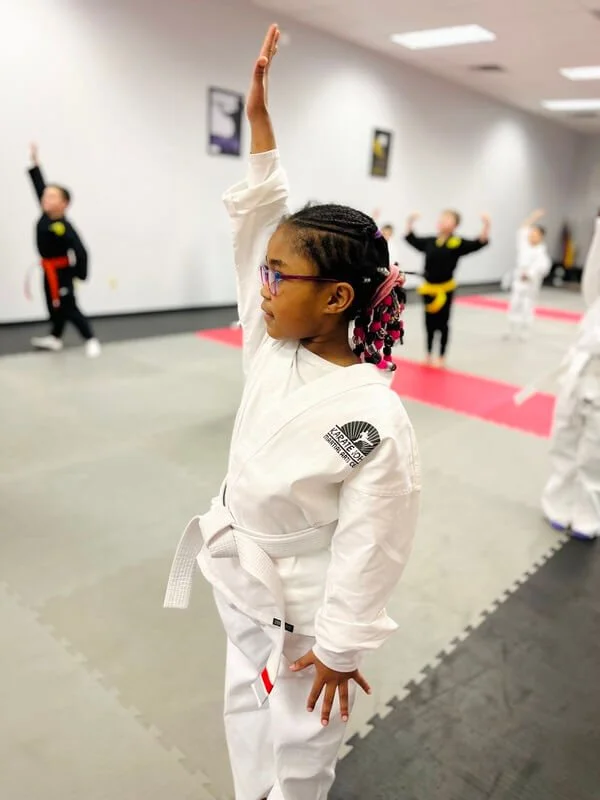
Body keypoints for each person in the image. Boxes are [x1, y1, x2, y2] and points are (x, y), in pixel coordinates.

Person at [164, 24, 421, 800]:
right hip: (242, 579)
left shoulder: (377, 420)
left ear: (336, 298)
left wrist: (343, 647)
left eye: (282, 276)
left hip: (307, 617)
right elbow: (257, 226)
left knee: (303, 746)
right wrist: (260, 126)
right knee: (246, 711)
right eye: (265, 275)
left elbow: (374, 545)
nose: (264, 287)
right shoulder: (272, 343)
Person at [541, 213, 600, 541]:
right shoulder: (596, 301)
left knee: (595, 452)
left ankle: (588, 513)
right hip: (579, 370)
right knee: (563, 436)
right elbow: (593, 279)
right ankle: (557, 502)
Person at [27, 144, 100, 357]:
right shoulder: (44, 215)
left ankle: (91, 338)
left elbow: (82, 251)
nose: (45, 199)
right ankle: (55, 338)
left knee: (68, 307)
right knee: (53, 306)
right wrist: (35, 163)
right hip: (47, 269)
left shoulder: (65, 227)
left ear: (64, 204)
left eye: (51, 197)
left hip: (63, 272)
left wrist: (80, 274)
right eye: (45, 196)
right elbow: (39, 186)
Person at [405, 209, 490, 367]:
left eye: (448, 219)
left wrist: (486, 224)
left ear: (455, 225)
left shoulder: (457, 243)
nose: (443, 221)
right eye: (442, 217)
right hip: (429, 289)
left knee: (442, 324)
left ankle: (442, 356)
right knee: (429, 323)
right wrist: (410, 222)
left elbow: (479, 243)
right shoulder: (431, 241)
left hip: (445, 289)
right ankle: (429, 354)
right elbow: (412, 239)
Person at [504, 209, 552, 340]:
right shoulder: (524, 245)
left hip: (531, 283)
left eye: (535, 234)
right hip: (519, 279)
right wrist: (533, 217)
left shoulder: (541, 251)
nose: (532, 235)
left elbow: (543, 267)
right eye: (531, 233)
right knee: (514, 303)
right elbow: (522, 228)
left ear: (541, 236)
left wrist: (530, 274)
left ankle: (524, 331)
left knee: (527, 306)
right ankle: (511, 328)